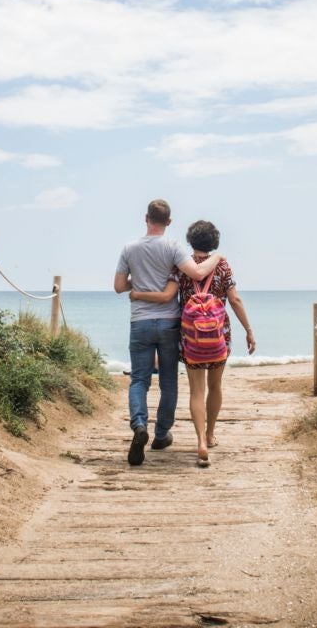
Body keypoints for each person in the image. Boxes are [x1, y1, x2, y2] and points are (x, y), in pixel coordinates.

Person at [131, 220, 254, 467]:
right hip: (219, 334)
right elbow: (235, 299)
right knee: (215, 386)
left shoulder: (182, 266)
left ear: (190, 241)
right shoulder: (222, 266)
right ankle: (210, 435)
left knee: (197, 390)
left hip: (190, 337)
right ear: (214, 242)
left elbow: (168, 296)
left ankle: (198, 440)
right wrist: (249, 330)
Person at [114, 200, 222, 467]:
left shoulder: (129, 248)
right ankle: (161, 434)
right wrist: (218, 257)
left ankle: (139, 424)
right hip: (169, 322)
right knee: (168, 381)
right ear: (169, 222)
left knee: (139, 380)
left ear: (146, 218)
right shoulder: (173, 247)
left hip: (140, 321)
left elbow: (119, 286)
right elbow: (197, 272)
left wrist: (136, 282)